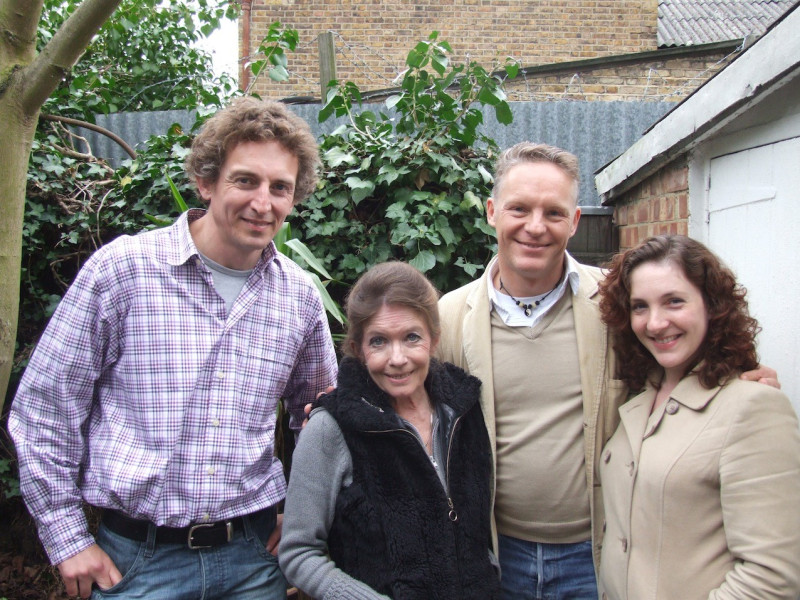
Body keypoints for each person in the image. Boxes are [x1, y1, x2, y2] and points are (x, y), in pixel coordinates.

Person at [9, 97, 338, 599]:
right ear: (206, 181)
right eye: (245, 180)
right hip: (137, 565)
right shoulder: (123, 272)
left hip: (255, 562)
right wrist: (65, 538)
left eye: (281, 188)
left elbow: (321, 421)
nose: (263, 202)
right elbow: (44, 410)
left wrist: (303, 522)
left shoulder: (298, 298)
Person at [435, 141, 778, 599]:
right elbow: (412, 409)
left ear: (575, 222)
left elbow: (679, 357)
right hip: (498, 552)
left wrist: (736, 383)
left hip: (600, 552)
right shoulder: (450, 316)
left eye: (553, 213)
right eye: (519, 209)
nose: (535, 227)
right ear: (493, 211)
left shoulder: (615, 304)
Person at [280, 261, 500, 599]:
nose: (397, 358)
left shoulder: (464, 409)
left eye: (412, 337)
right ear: (358, 349)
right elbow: (298, 553)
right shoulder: (331, 428)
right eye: (379, 341)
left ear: (434, 339)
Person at [596, 234, 800, 599]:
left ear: (712, 305)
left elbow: (772, 578)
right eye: (640, 306)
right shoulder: (640, 395)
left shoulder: (753, 407)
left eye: (674, 302)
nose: (655, 323)